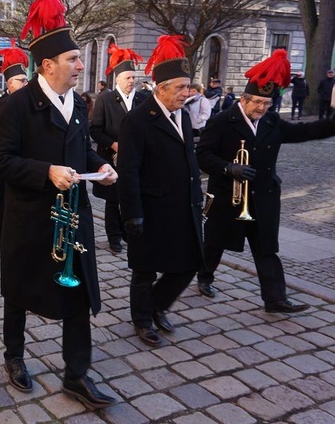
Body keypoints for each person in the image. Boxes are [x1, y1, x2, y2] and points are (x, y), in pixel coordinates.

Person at [0, 0, 117, 408]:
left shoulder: (77, 103)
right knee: (19, 293)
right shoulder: (15, 105)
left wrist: (100, 167)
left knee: (78, 294)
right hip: (29, 219)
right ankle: (14, 356)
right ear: (47, 65)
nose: (81, 66)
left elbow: (82, 149)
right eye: (74, 60)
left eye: (78, 59)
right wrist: (45, 172)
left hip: (73, 217)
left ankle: (76, 375)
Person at [196, 50, 335, 311]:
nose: (262, 108)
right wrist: (228, 168)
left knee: (266, 250)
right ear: (244, 99)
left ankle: (275, 299)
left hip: (263, 198)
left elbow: (304, 132)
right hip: (229, 196)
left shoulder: (271, 121)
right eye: (257, 102)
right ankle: (205, 276)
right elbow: (202, 155)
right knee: (215, 242)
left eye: (266, 103)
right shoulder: (221, 121)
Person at [118, 35, 203, 348]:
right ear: (160, 88)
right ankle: (142, 320)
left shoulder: (183, 113)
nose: (186, 93)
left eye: (188, 86)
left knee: (191, 262)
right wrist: (132, 214)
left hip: (183, 207)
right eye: (179, 87)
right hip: (151, 210)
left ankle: (157, 305)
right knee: (145, 269)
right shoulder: (137, 121)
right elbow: (128, 171)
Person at [90, 42, 147, 253]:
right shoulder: (105, 99)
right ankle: (114, 237)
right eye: (128, 78)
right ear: (118, 79)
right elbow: (95, 129)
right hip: (110, 157)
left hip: (136, 159)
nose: (132, 81)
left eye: (134, 77)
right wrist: (113, 144)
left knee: (132, 195)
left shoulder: (143, 99)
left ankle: (128, 232)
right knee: (113, 200)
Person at [0, 41, 30, 247]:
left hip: (21, 167)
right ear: (10, 84)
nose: (25, 83)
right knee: (3, 211)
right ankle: (2, 243)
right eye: (21, 80)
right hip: (4, 170)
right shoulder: (3, 104)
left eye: (26, 80)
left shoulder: (26, 102)